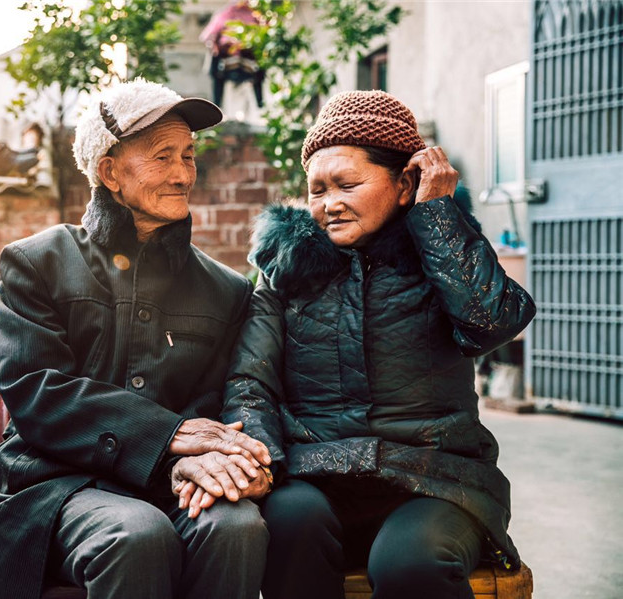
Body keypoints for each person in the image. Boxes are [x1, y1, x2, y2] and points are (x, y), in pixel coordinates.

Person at [176, 90, 537, 598]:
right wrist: (261, 463)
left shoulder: (441, 253)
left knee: (411, 564)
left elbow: (492, 322)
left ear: (404, 183)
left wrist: (436, 217)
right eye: (318, 189)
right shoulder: (286, 270)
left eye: (348, 184)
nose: (331, 204)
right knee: (287, 525)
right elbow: (249, 382)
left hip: (434, 479)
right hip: (315, 474)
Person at [0, 78, 272, 599]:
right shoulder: (39, 262)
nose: (182, 174)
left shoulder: (226, 290)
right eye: (162, 157)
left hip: (176, 481)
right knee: (136, 533)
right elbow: (36, 390)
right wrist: (169, 437)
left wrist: (204, 460)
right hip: (57, 485)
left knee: (237, 527)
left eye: (188, 156)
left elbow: (219, 400)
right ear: (109, 171)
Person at [199, 0, 265, 109]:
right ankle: (217, 106)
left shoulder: (256, 15)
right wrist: (215, 46)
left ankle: (261, 106)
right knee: (216, 70)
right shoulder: (226, 13)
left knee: (260, 71)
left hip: (247, 59)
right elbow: (209, 36)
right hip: (226, 60)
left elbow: (264, 35)